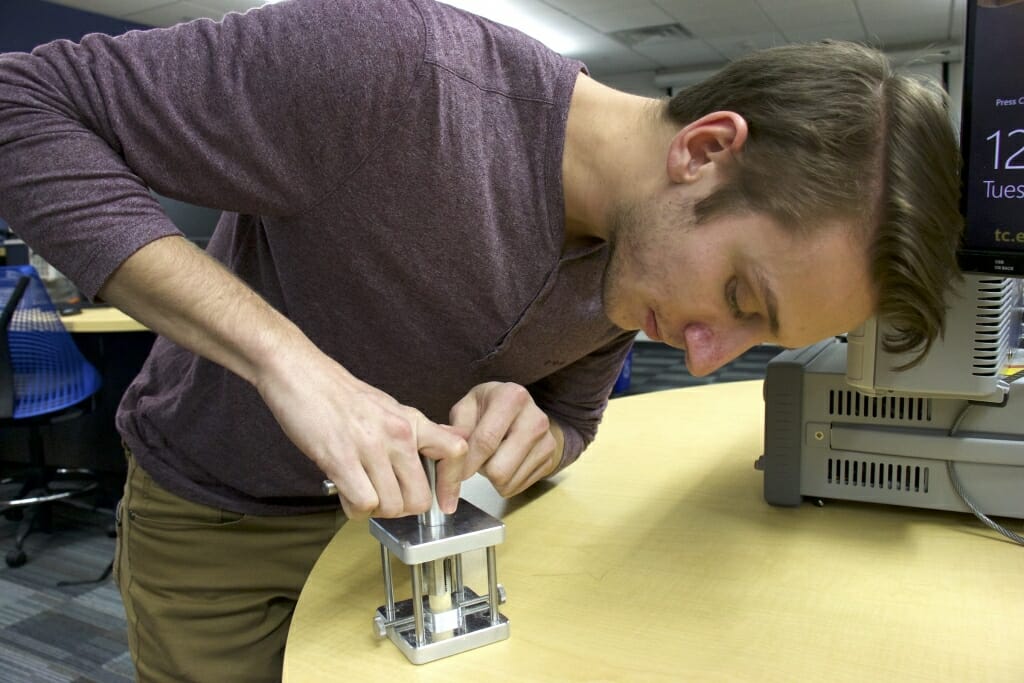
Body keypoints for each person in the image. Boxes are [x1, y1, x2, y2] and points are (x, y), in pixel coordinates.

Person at [0, 0, 962, 679]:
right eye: (741, 295)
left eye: (760, 336)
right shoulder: (394, 71)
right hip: (222, 520)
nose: (708, 354)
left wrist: (541, 427)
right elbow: (20, 105)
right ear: (705, 151)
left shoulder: (648, 270)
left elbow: (573, 414)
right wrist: (286, 360)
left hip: (416, 547)